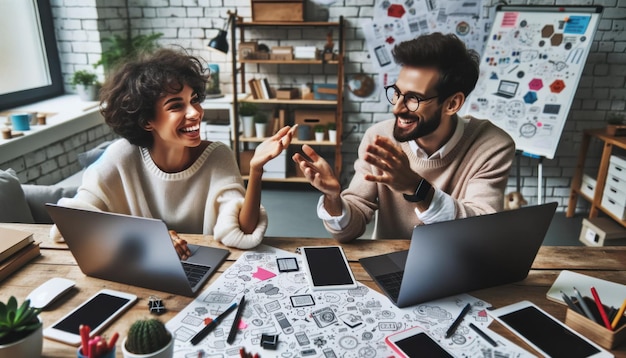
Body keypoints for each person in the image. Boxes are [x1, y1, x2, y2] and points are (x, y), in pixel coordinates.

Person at [53, 48, 296, 257]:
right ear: (147, 120)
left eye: (194, 99)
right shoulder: (121, 157)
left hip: (208, 272)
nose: (195, 113)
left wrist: (255, 169)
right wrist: (149, 240)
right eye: (176, 106)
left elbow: (241, 232)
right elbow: (69, 224)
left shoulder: (217, 155)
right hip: (138, 271)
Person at [293, 33, 515, 243]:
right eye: (397, 93)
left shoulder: (492, 146)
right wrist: (334, 198)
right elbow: (351, 225)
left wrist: (415, 186)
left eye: (413, 99)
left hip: (461, 263)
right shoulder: (379, 137)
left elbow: (480, 228)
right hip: (390, 263)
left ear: (452, 104)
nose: (397, 108)